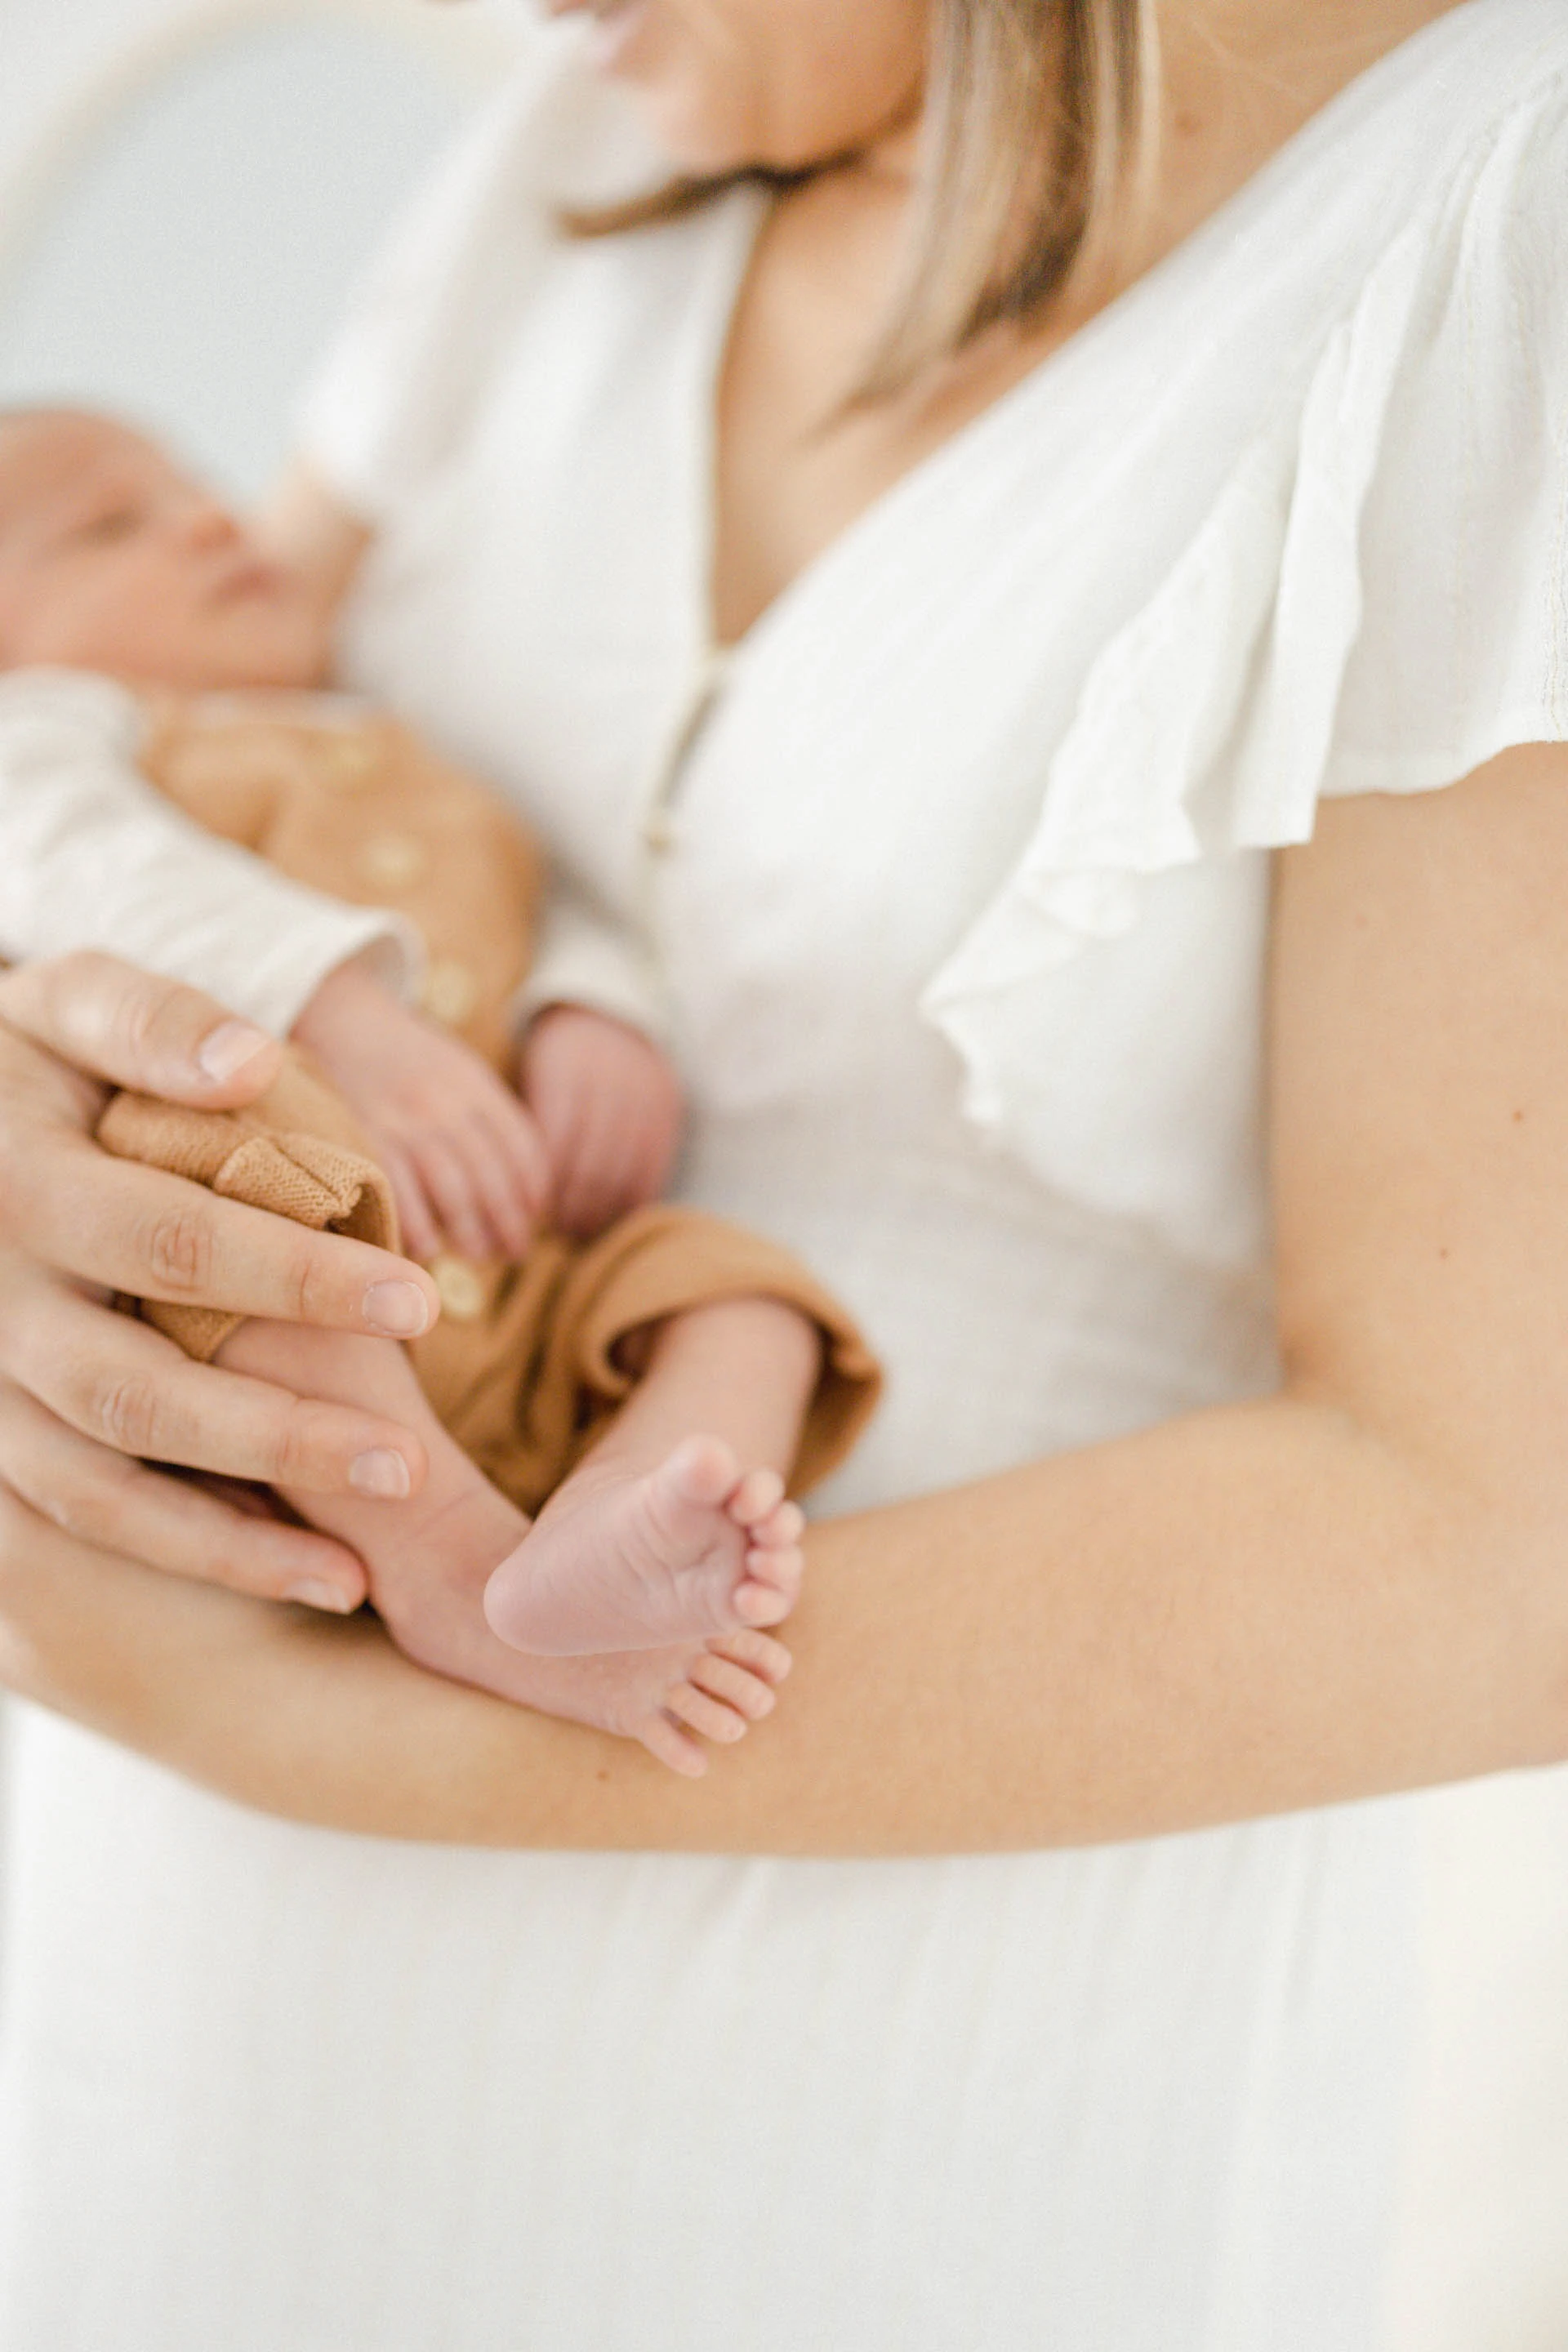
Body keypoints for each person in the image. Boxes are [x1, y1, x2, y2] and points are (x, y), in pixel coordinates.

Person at [1, 0, 1566, 2342]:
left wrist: (299, 1726)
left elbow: (1510, 1550)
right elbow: (157, 777)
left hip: (883, 2133)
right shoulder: (588, 134)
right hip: (167, 2058)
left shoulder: (1505, 219)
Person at [0, 404, 883, 1770]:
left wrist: (585, 1009)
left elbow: (527, 891)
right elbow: (70, 860)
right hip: (265, 1302)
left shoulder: (389, 733)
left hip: (518, 1283)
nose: (213, 519)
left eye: (198, 484)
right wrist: (338, 1015)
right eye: (111, 525)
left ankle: (623, 1517)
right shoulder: (61, 735)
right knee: (227, 1124)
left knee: (743, 1299)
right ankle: (448, 1563)